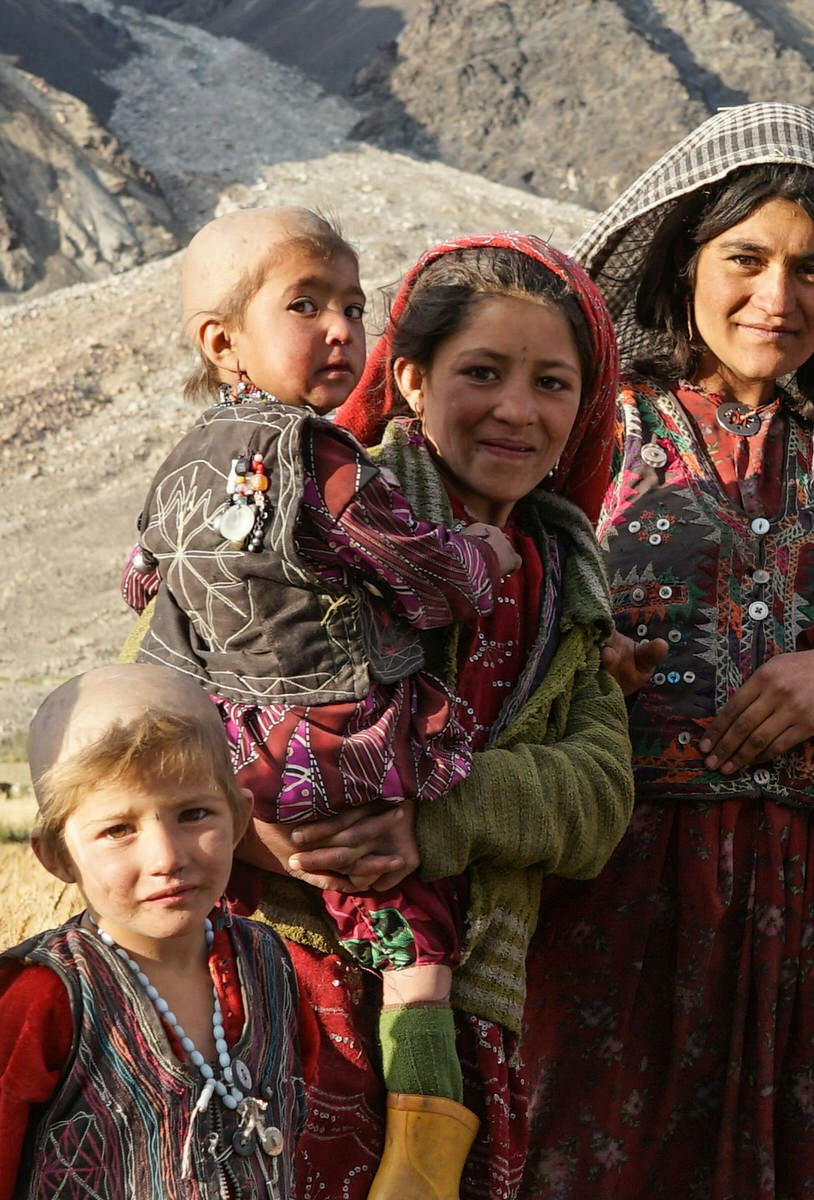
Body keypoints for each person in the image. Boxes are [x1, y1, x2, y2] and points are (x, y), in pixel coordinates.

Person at [519, 102, 814, 1199]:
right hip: (605, 888)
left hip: (799, 907)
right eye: (747, 258)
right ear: (685, 259)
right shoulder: (588, 430)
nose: (778, 300)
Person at [119, 208, 529, 1198]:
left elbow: (143, 583)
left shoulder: (180, 462)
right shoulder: (324, 458)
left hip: (231, 749)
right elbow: (417, 565)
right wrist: (488, 559)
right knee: (413, 934)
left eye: (353, 304)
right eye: (307, 305)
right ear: (223, 341)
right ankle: (425, 1153)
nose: (343, 328)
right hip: (333, 739)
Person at [229, 231, 632, 1200]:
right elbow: (158, 715)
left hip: (467, 1004)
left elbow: (599, 795)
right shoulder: (306, 515)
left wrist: (433, 817)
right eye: (482, 372)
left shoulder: (565, 574)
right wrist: (286, 841)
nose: (516, 411)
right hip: (281, 964)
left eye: (552, 384)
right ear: (408, 378)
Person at [1, 663, 315, 1199]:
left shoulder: (269, 965)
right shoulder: (42, 999)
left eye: (194, 814)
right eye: (118, 830)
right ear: (57, 855)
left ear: (239, 819)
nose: (167, 857)